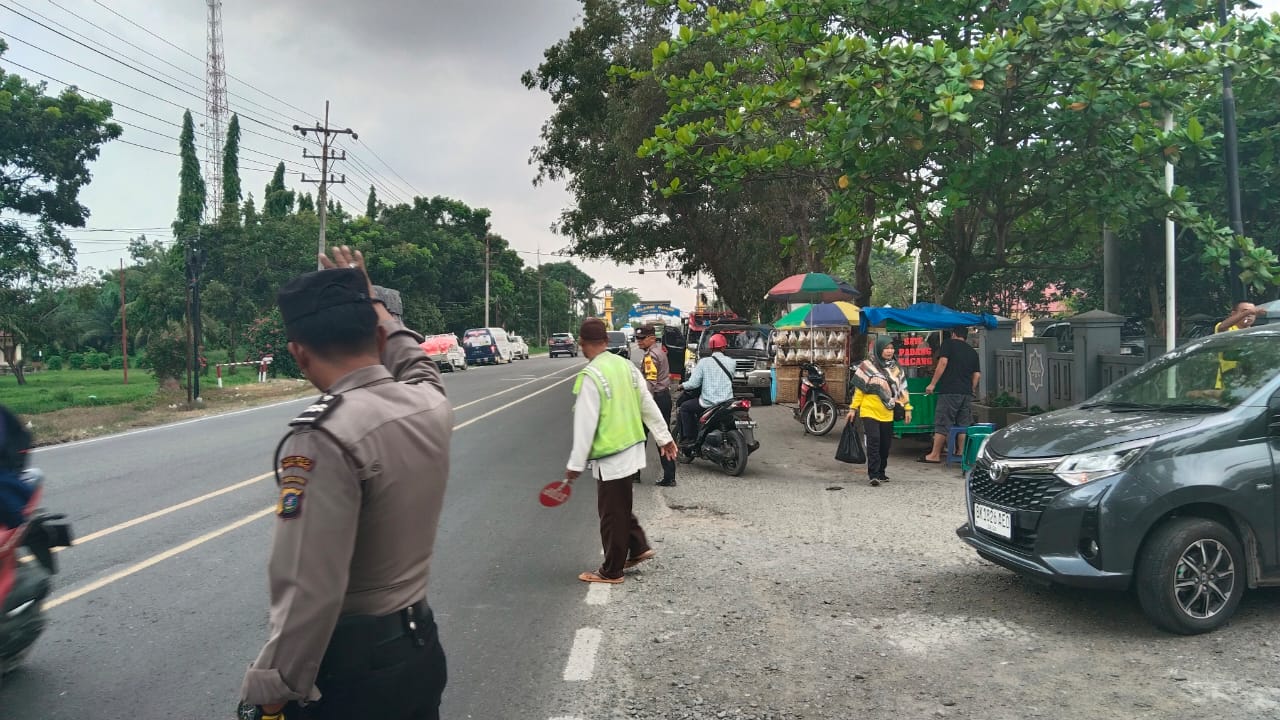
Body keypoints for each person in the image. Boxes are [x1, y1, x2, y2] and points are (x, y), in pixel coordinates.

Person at [237, 247, 451, 720]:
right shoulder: (428, 403)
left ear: (297, 354)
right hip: (419, 649)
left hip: (353, 678)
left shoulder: (322, 436)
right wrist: (370, 296)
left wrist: (272, 692)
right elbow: (418, 364)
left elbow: (309, 590)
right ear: (378, 334)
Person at [565, 318, 678, 584]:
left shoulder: (591, 376)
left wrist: (575, 464)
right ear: (605, 341)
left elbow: (585, 426)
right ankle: (638, 547)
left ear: (582, 344)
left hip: (611, 453)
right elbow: (646, 403)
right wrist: (663, 437)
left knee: (611, 513)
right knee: (620, 505)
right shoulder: (625, 365)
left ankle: (611, 570)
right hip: (632, 447)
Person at [848, 336, 912, 487]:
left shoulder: (897, 368)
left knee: (885, 444)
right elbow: (859, 391)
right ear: (878, 349)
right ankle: (873, 474)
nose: (889, 351)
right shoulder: (867, 366)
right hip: (869, 410)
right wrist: (853, 409)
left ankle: (881, 471)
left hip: (888, 411)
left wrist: (907, 408)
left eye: (891, 348)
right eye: (886, 348)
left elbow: (903, 390)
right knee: (874, 441)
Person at [921, 327, 981, 464]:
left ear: (954, 334)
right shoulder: (972, 351)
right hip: (966, 393)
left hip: (950, 391)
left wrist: (932, 384)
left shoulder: (948, 344)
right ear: (965, 337)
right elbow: (977, 375)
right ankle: (960, 453)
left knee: (943, 422)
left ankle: (934, 455)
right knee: (963, 424)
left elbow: (942, 362)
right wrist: (970, 389)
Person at [677, 333, 736, 449]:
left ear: (710, 348)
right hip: (727, 402)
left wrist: (682, 386)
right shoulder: (732, 362)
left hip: (709, 402)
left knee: (684, 407)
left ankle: (689, 438)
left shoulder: (704, 362)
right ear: (724, 347)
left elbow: (694, 383)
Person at [636, 324, 677, 487]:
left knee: (640, 436)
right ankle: (669, 475)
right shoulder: (659, 352)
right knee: (663, 435)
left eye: (641, 338)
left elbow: (650, 383)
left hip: (655, 399)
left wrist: (642, 404)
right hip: (664, 397)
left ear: (652, 338)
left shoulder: (650, 357)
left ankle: (634, 473)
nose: (638, 341)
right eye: (637, 338)